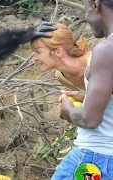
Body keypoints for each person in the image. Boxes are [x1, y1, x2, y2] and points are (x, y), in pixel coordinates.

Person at [53, 0, 113, 179]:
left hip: (97, 159)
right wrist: (88, 98)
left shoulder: (106, 50)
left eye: (86, 9)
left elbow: (89, 119)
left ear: (95, 5)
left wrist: (68, 109)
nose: (86, 17)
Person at [31, 23, 92, 91]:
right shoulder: (61, 77)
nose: (34, 58)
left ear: (59, 52)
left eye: (38, 52)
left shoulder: (94, 62)